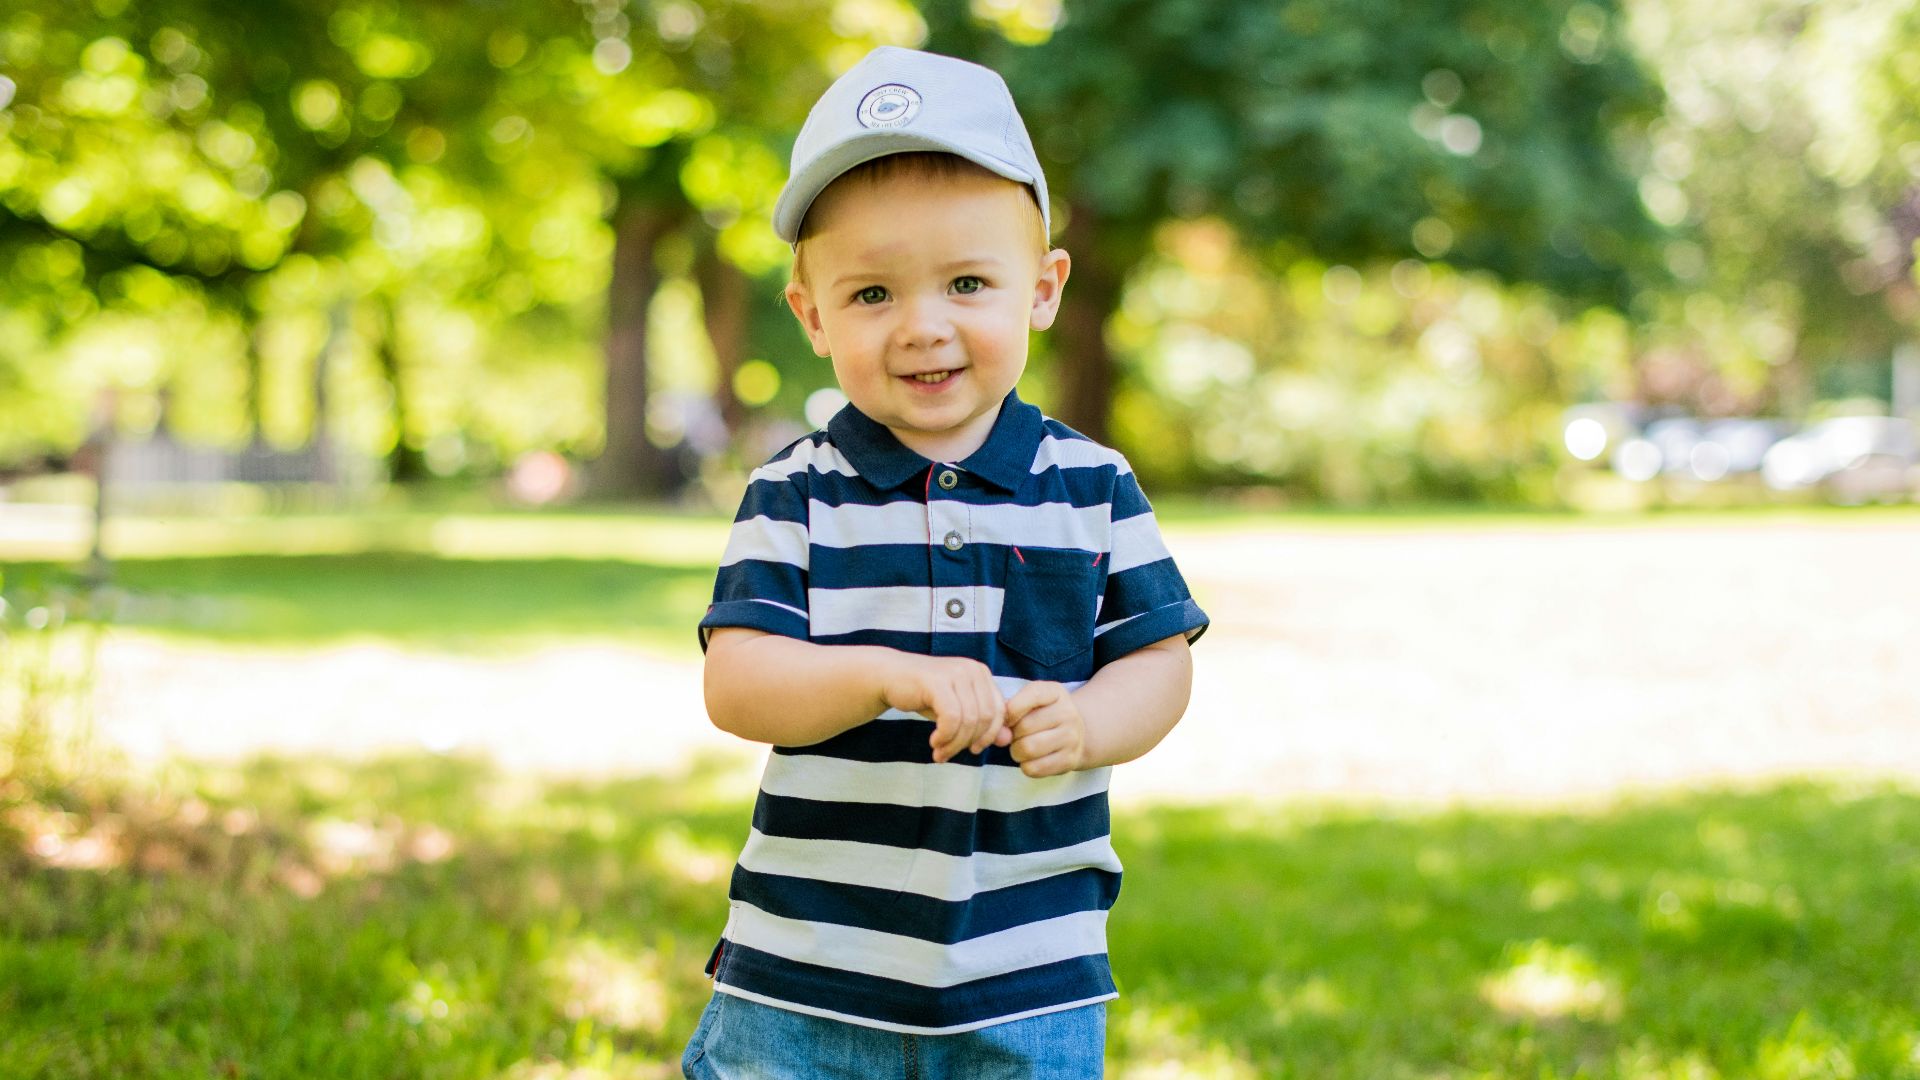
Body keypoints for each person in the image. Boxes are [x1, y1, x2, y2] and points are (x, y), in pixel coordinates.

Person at [682, 45, 1209, 1079]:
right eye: (872, 293)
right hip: (810, 965)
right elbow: (738, 682)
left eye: (968, 282)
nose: (924, 327)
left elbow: (1160, 659)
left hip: (1030, 969)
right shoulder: (797, 492)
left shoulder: (1090, 485)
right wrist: (884, 674)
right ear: (812, 313)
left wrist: (1095, 719)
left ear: (1043, 289)